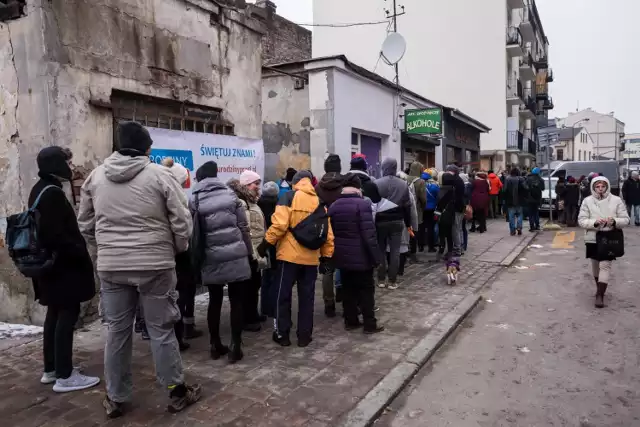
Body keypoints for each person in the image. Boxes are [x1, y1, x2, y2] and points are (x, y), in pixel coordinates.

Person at [78, 122, 199, 417]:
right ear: (146, 148)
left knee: (117, 332)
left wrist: (105, 250)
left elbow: (85, 224)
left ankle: (116, 397)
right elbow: (182, 222)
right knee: (161, 330)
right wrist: (175, 248)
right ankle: (176, 391)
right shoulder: (160, 176)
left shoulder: (95, 178)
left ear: (118, 146)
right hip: (155, 265)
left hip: (112, 268)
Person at [29, 147, 100, 393]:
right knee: (66, 317)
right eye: (66, 162)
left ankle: (51, 369)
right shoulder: (53, 195)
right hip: (63, 268)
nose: (71, 167)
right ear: (56, 164)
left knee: (55, 315)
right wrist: (78, 251)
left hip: (50, 268)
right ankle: (65, 375)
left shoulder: (39, 190)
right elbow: (57, 235)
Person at [258, 170, 335, 347]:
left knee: (282, 295)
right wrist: (326, 257)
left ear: (295, 183)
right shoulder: (319, 202)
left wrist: (264, 245)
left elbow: (279, 225)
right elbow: (328, 235)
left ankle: (282, 334)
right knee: (307, 298)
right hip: (311, 259)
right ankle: (304, 336)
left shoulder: (289, 197)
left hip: (289, 257)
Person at [191, 161, 253, 363]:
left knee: (215, 300)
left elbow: (192, 232)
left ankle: (215, 344)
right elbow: (243, 226)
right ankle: (236, 345)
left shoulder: (195, 198)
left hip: (211, 256)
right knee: (236, 300)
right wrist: (249, 252)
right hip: (235, 253)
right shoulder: (231, 195)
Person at [328, 173, 384, 333]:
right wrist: (376, 257)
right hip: (362, 257)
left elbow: (330, 233)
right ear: (358, 187)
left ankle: (350, 321)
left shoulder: (334, 205)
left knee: (348, 289)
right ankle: (369, 324)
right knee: (366, 290)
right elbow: (369, 234)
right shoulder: (363, 205)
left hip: (342, 256)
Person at [161, 157, 203, 351]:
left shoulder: (161, 193)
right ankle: (178, 336)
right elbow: (183, 226)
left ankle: (181, 330)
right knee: (181, 294)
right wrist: (183, 246)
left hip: (165, 252)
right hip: (179, 253)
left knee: (175, 295)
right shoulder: (177, 198)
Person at [228, 170, 269, 332]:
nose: (258, 187)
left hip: (256, 250)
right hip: (248, 251)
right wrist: (251, 252)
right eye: (255, 184)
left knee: (255, 283)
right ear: (246, 185)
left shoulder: (252, 201)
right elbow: (245, 229)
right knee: (248, 286)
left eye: (259, 183)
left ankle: (253, 313)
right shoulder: (241, 202)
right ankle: (247, 318)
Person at [578, 177, 629, 308]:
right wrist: (594, 222)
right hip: (593, 237)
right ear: (593, 187)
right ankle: (599, 288)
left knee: (605, 266)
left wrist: (614, 221)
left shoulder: (616, 200)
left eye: (603, 187)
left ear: (607, 187)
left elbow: (626, 219)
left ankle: (600, 295)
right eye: (597, 187)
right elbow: (582, 220)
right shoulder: (587, 201)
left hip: (610, 237)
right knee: (595, 265)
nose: (600, 189)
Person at [375, 158, 413, 290]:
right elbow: (407, 206)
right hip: (397, 221)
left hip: (380, 221)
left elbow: (373, 205)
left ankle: (380, 279)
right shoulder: (403, 184)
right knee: (395, 251)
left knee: (380, 250)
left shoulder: (377, 183)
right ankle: (392, 281)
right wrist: (408, 224)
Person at [315, 154, 344, 318]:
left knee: (327, 269)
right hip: (344, 230)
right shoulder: (345, 183)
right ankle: (344, 295)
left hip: (325, 230)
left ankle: (329, 304)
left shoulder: (318, 187)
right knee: (345, 266)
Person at [257, 181, 280, 319]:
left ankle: (265, 308)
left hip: (262, 245)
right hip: (275, 245)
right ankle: (272, 307)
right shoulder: (278, 205)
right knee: (274, 277)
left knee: (265, 277)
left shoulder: (258, 205)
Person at [442, 165, 466, 257]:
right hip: (460, 207)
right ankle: (461, 247)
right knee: (459, 228)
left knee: (455, 229)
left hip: (456, 207)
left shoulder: (455, 181)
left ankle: (457, 249)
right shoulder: (459, 180)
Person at [408, 161, 427, 254]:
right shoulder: (421, 181)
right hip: (417, 208)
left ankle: (407, 248)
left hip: (406, 207)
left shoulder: (405, 179)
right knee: (416, 228)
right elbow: (423, 199)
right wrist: (423, 207)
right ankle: (414, 251)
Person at [503, 168, 528, 236]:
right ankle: (519, 227)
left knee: (511, 216)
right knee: (520, 215)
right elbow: (526, 188)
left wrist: (505, 199)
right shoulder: (521, 179)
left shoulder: (507, 179)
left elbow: (504, 190)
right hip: (520, 201)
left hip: (510, 201)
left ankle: (512, 231)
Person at [420, 169, 440, 252]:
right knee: (430, 228)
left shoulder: (419, 186)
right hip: (431, 209)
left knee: (421, 227)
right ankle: (431, 247)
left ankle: (420, 246)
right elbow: (438, 197)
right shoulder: (434, 187)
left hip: (422, 209)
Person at [525, 167, 545, 232]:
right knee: (536, 212)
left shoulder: (528, 179)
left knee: (530, 213)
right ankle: (537, 226)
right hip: (537, 199)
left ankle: (532, 227)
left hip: (529, 199)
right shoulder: (541, 179)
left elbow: (525, 187)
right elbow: (543, 188)